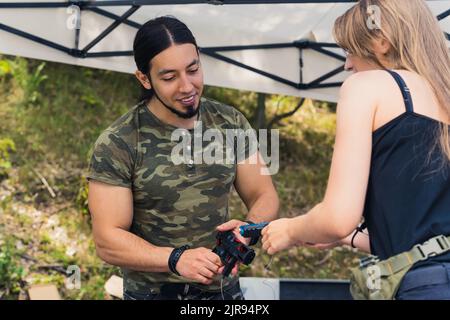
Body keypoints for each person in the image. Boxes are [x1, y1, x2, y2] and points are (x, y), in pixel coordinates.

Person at [261, 0, 450, 299]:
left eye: (349, 50)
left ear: (381, 41)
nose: (347, 64)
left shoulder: (367, 86)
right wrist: (346, 239)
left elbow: (337, 217)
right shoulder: (444, 96)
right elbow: (425, 237)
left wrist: (291, 229)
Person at [87, 16, 279, 300]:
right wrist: (175, 258)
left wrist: (248, 230)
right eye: (169, 77)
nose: (187, 86)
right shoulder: (119, 141)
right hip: (152, 294)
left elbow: (265, 195)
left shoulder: (230, 122)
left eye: (193, 69)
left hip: (222, 292)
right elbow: (107, 240)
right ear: (144, 79)